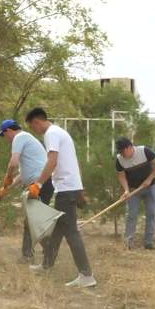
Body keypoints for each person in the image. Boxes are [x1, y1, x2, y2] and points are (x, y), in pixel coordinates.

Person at [24, 108, 96, 288]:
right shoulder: (60, 132)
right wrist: (80, 189)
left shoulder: (51, 134)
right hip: (69, 187)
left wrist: (38, 184)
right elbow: (73, 162)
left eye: (33, 127)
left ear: (37, 122)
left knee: (71, 232)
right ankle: (47, 264)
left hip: (66, 188)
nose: (35, 131)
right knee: (58, 230)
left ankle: (87, 275)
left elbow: (52, 161)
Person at [0, 119, 54, 264]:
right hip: (42, 184)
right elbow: (23, 175)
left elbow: (13, 163)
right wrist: (6, 189)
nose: (5, 139)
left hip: (39, 185)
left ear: (9, 130)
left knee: (35, 222)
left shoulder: (19, 137)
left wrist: (7, 178)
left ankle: (48, 252)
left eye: (4, 135)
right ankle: (29, 254)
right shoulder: (26, 140)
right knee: (32, 221)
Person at [114, 137, 155, 250]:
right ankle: (128, 242)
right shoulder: (119, 159)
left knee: (151, 214)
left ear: (130, 147)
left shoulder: (145, 151)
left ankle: (148, 242)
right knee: (131, 215)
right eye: (119, 152)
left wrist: (149, 179)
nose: (121, 154)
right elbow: (121, 176)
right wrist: (126, 190)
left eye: (122, 151)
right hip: (133, 190)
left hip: (150, 187)